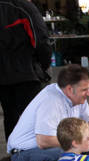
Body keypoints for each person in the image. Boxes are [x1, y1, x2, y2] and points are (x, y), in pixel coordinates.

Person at [0, 0, 52, 150]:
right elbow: (41, 39)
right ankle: (33, 155)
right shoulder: (23, 7)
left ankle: (16, 153)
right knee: (32, 115)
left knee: (10, 115)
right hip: (26, 73)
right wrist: (43, 65)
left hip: (4, 76)